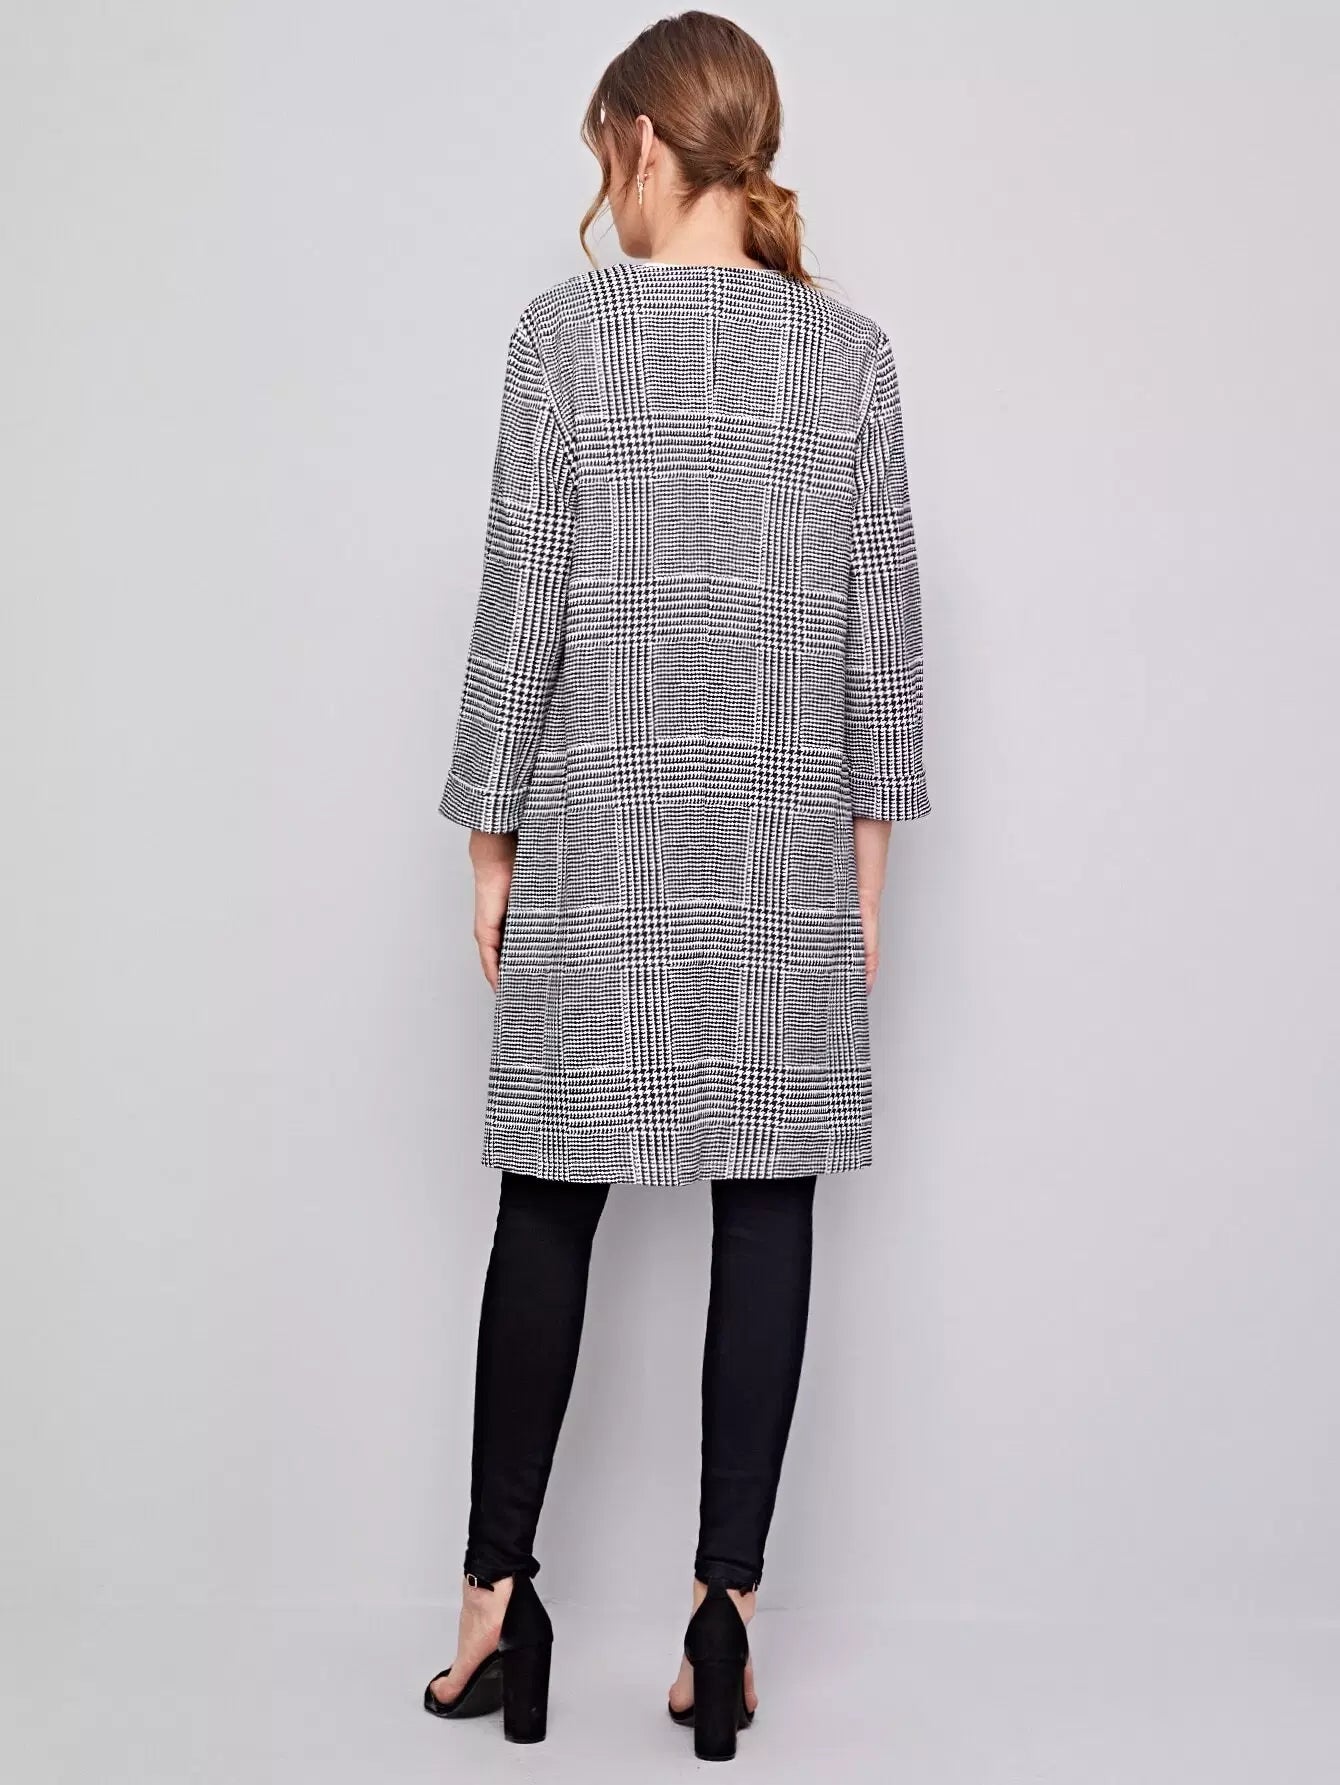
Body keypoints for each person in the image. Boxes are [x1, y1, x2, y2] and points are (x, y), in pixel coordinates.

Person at [423, 10, 929, 1761]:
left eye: (604, 155)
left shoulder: (561, 341)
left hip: (598, 837)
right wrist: (865, 881)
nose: (606, 189)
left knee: (548, 1202)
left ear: (642, 139)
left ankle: (497, 1607)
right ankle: (727, 1618)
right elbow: (884, 648)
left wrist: (490, 838)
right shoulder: (851, 360)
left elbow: (521, 604)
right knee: (766, 1207)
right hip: (787, 852)